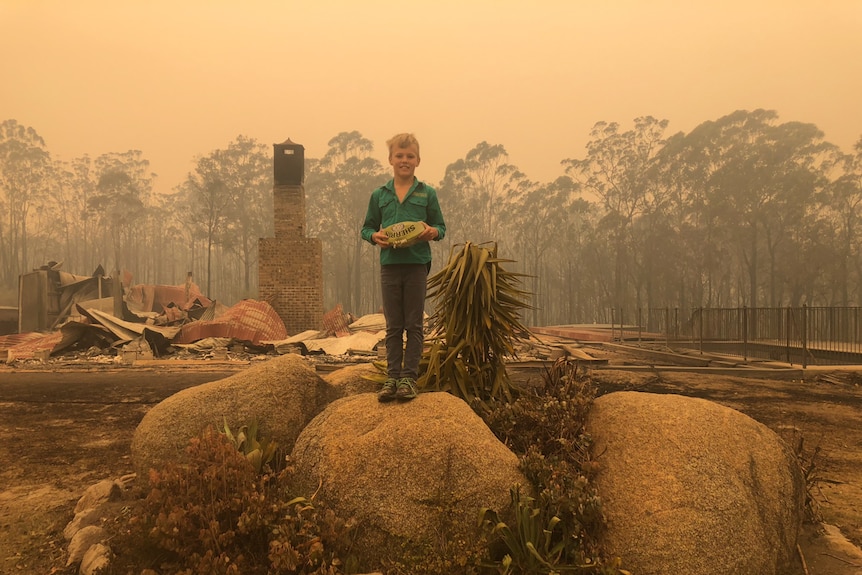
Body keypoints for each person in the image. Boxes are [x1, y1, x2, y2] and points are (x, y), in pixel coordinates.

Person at [361, 133, 446, 402]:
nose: (404, 160)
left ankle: (409, 378)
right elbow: (366, 228)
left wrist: (432, 232)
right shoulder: (379, 195)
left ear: (418, 160)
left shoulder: (427, 193)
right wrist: (375, 237)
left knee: (414, 325)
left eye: (410, 156)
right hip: (389, 266)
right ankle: (392, 378)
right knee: (393, 326)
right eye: (399, 155)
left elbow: (441, 227)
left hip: (417, 265)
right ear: (390, 159)